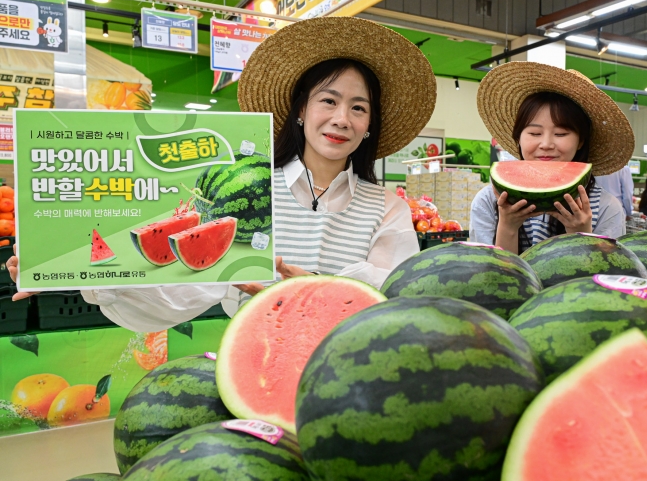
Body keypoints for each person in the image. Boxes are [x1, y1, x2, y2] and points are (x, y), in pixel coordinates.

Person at [7, 17, 437, 332]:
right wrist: (76, 274)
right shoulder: (248, 190)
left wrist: (322, 288)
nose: (342, 118)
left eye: (358, 108)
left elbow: (403, 295)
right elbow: (179, 296)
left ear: (368, 126)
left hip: (357, 363)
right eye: (328, 101)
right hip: (257, 351)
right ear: (302, 111)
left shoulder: (387, 207)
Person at [470, 62, 633, 254]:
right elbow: (491, 277)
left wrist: (582, 236)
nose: (546, 144)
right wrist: (508, 227)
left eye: (561, 134)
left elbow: (601, 280)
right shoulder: (489, 201)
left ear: (580, 141)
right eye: (535, 133)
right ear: (518, 139)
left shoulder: (606, 208)